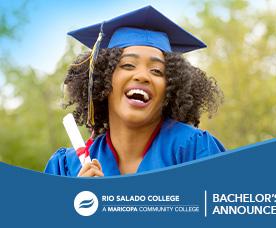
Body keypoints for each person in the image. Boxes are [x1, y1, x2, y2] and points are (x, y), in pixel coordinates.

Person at [44, 5, 225, 177]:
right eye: (128, 65)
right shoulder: (68, 167)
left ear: (171, 89)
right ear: (103, 80)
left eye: (156, 71)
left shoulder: (195, 151)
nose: (142, 76)